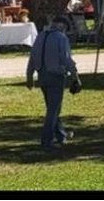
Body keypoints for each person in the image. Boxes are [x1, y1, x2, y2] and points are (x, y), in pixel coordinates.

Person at [26, 16, 79, 151]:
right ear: (63, 27)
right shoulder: (61, 38)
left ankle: (61, 135)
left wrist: (29, 76)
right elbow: (66, 59)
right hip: (56, 76)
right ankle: (46, 141)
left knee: (52, 107)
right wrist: (75, 77)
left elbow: (33, 56)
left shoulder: (41, 36)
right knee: (53, 110)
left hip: (42, 75)